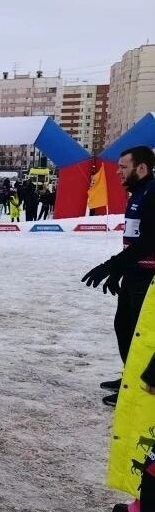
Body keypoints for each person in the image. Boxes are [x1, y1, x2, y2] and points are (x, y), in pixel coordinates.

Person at [82, 146, 155, 407]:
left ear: (142, 168)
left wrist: (110, 267)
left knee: (138, 333)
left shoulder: (152, 194)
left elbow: (147, 243)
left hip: (148, 278)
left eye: (123, 167)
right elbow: (133, 243)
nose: (118, 172)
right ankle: (130, 376)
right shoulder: (138, 193)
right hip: (134, 273)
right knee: (123, 326)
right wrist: (119, 273)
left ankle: (138, 385)